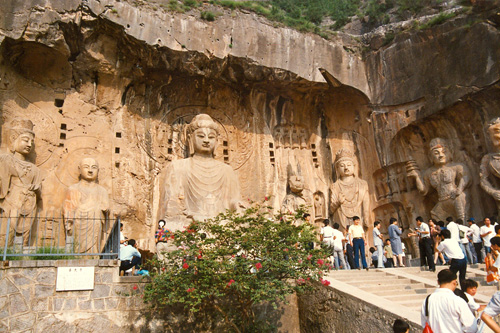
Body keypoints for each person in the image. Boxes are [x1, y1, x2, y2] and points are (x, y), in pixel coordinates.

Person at [159, 114, 242, 225]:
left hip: (222, 224)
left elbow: (234, 201)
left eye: (211, 137)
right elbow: (172, 204)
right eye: (201, 136)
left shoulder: (227, 170)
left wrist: (238, 208)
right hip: (189, 222)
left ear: (217, 141)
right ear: (190, 139)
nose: (206, 141)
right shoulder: (178, 167)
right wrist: (192, 216)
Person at [407, 137, 471, 222]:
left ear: (450, 153)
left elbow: (466, 177)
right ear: (430, 156)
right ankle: (446, 234)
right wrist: (417, 176)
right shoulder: (429, 172)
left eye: (444, 152)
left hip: (455, 197)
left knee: (462, 218)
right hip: (441, 201)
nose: (441, 155)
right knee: (436, 216)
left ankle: (464, 230)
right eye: (436, 153)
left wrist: (459, 189)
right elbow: (423, 190)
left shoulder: (456, 166)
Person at [0, 119, 42, 247]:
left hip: (29, 203)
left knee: (24, 235)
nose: (29, 144)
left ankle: (21, 254)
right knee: (7, 231)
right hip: (11, 202)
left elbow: (39, 191)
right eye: (25, 140)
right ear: (14, 139)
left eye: (31, 142)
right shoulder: (6, 160)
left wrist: (35, 189)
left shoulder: (35, 169)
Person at [63, 157, 110, 254]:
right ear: (79, 170)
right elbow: (68, 209)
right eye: (86, 167)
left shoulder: (102, 191)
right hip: (78, 224)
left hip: (94, 226)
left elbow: (106, 208)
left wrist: (104, 209)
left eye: (94, 167)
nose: (90, 171)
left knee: (93, 251)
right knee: (76, 248)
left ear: (98, 170)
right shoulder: (73, 189)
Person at [330, 148, 370, 230]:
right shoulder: (335, 186)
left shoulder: (362, 184)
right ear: (337, 169)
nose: (346, 168)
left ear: (354, 166)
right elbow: (331, 210)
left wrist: (366, 217)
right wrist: (338, 202)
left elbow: (366, 202)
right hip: (341, 217)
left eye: (349, 165)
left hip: (358, 216)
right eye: (342, 166)